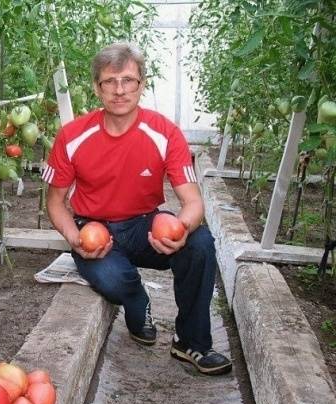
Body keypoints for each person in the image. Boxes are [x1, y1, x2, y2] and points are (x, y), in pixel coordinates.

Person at [43, 42, 232, 375]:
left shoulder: (164, 133)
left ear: (142, 84)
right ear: (96, 88)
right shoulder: (72, 136)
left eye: (128, 80)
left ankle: (192, 343)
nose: (119, 90)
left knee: (200, 244)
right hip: (94, 229)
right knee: (116, 282)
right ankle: (137, 300)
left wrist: (183, 229)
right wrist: (75, 238)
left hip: (145, 227)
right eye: (109, 81)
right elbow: (55, 202)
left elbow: (192, 202)